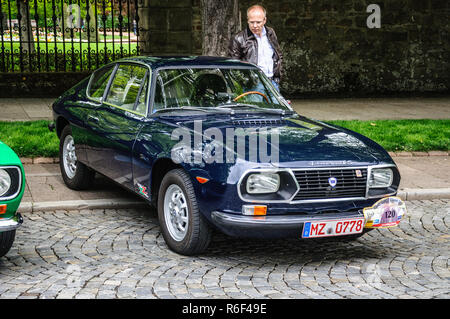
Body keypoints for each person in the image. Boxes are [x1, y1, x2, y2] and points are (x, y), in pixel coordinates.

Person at [228, 4, 283, 92]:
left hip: (272, 83)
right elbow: (233, 66)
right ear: (247, 20)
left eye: (258, 22)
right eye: (252, 22)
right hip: (253, 85)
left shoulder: (270, 33)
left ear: (264, 20)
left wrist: (277, 78)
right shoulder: (239, 39)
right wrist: (247, 82)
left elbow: (278, 55)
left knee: (275, 106)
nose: (255, 26)